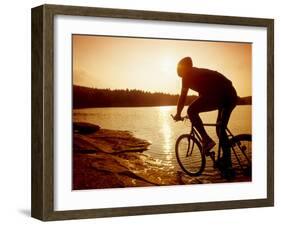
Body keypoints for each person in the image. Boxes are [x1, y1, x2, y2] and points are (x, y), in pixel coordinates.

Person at [172, 57, 237, 175]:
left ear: (184, 68)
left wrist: (178, 114)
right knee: (220, 129)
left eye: (179, 69)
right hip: (230, 95)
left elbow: (182, 98)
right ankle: (227, 161)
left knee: (191, 110)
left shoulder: (188, 75)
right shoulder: (199, 74)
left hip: (223, 95)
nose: (179, 73)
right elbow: (203, 95)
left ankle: (206, 140)